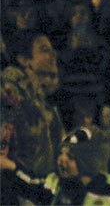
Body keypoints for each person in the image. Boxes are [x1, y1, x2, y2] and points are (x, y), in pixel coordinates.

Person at [0, 30, 66, 203]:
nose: (53, 55)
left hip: (40, 192)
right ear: (24, 60)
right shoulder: (11, 94)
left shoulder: (44, 103)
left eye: (52, 49)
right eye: (44, 50)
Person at [1, 125, 110, 205]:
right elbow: (33, 186)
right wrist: (11, 166)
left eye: (70, 157)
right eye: (61, 153)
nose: (61, 160)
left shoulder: (109, 198)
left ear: (87, 163)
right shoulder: (58, 184)